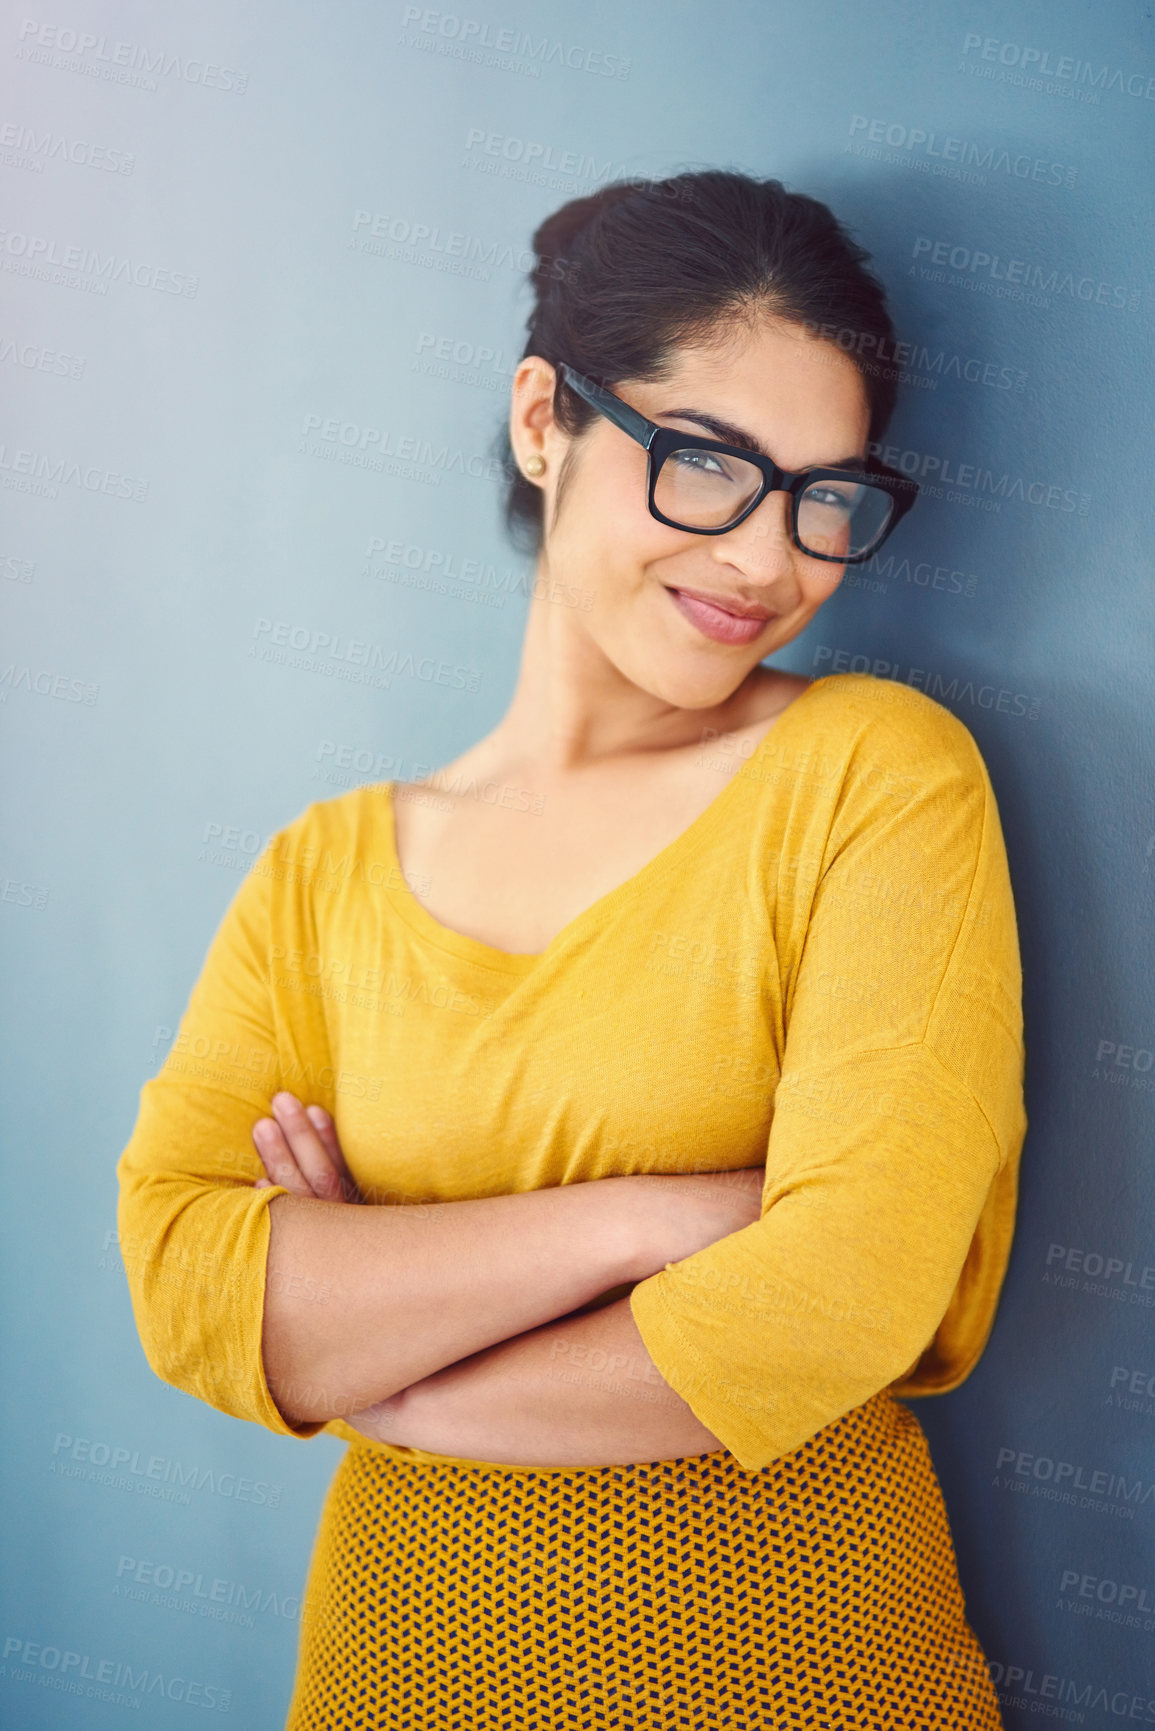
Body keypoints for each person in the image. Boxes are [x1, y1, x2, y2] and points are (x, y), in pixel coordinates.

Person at [117, 169, 1027, 1728]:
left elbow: (845, 1295)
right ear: (547, 418)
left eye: (824, 496)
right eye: (704, 465)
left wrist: (385, 1367)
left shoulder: (879, 776)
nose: (767, 559)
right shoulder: (320, 876)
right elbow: (192, 1284)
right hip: (392, 1677)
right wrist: (650, 1222)